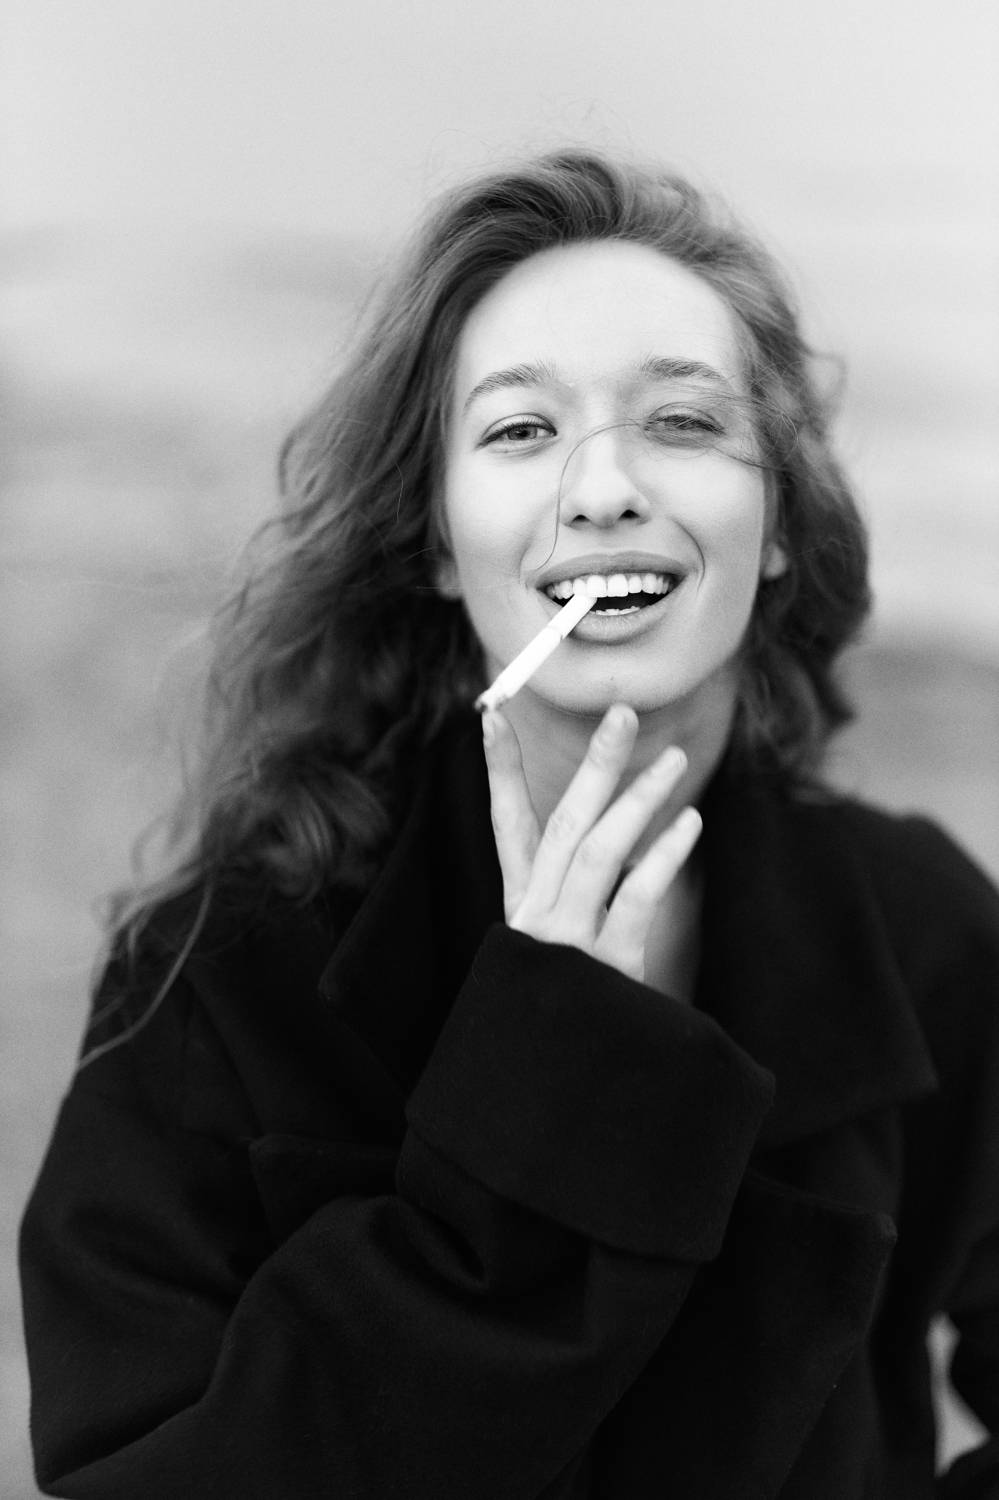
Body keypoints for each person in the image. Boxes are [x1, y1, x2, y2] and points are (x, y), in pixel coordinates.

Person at [19, 149, 999, 1497]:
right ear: (436, 537)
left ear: (778, 520)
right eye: (522, 431)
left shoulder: (925, 932)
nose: (602, 489)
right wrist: (544, 1098)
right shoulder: (227, 974)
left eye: (683, 421)